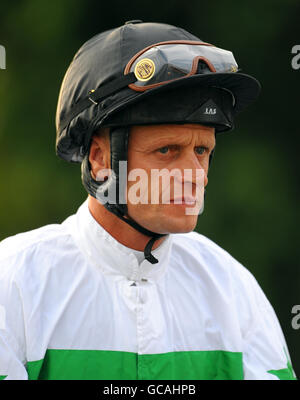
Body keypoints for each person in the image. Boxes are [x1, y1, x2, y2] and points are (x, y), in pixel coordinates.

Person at [0, 20, 296, 380]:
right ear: (100, 159)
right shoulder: (13, 282)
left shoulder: (234, 289)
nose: (195, 175)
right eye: (167, 149)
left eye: (202, 150)